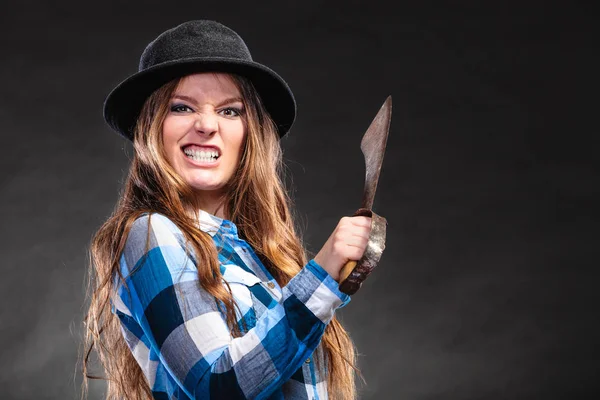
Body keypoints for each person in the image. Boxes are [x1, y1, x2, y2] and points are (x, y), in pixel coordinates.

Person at [83, 20, 378, 400]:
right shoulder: (150, 233)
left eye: (229, 111)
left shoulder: (255, 256)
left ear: (249, 133)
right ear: (151, 128)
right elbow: (217, 386)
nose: (206, 125)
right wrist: (322, 274)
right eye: (181, 107)